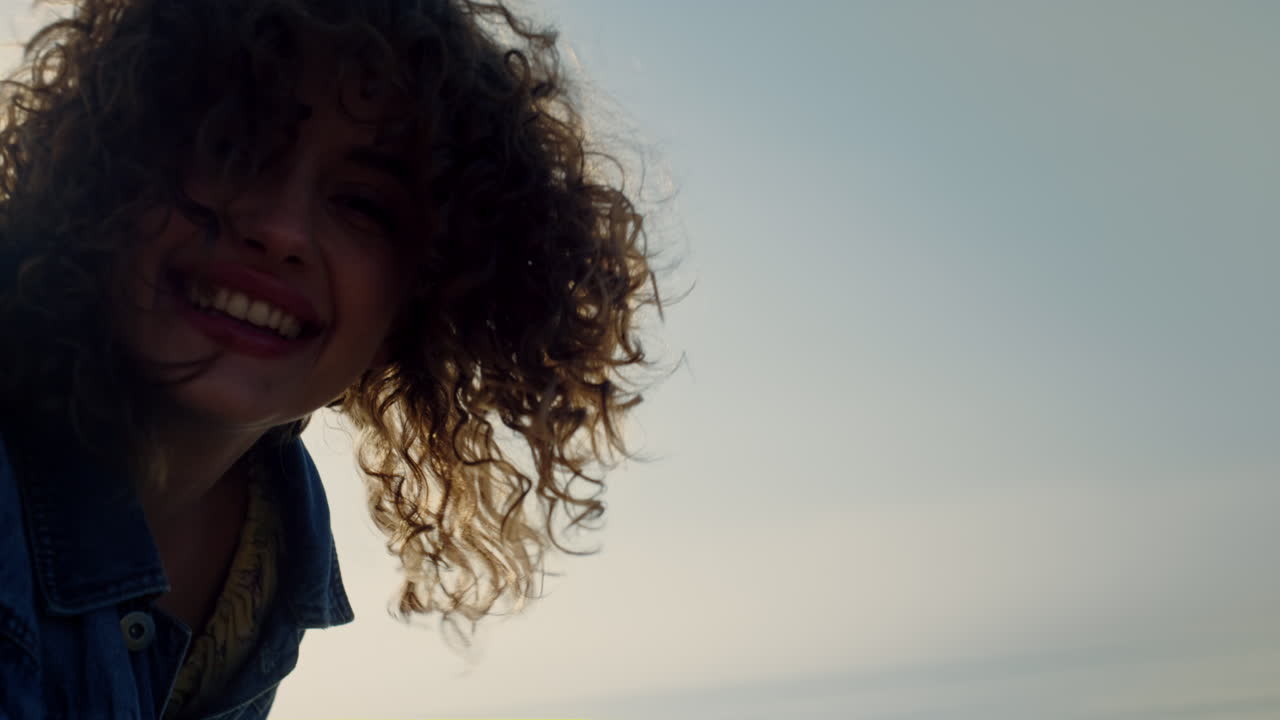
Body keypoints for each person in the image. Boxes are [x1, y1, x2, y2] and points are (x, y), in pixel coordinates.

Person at [0, 0, 660, 717]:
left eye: (365, 204)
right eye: (233, 146)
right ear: (105, 161)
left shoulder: (273, 530)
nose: (281, 228)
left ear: (426, 300)